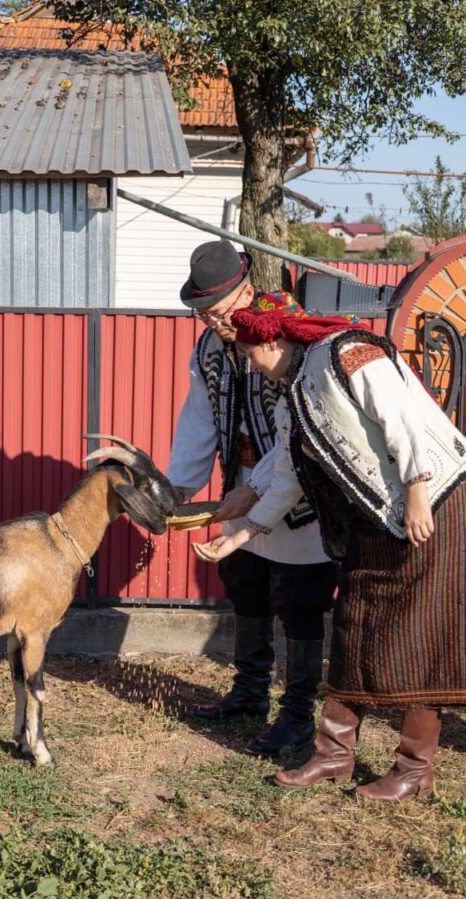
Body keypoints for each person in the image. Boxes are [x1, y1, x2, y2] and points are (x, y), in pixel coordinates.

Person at [194, 306, 466, 801]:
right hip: (379, 517)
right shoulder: (294, 398)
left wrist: (417, 488)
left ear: (272, 344)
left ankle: (413, 770)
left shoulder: (344, 352)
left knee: (421, 635)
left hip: (434, 502)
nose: (252, 367)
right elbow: (288, 475)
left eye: (251, 357)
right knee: (352, 624)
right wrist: (238, 536)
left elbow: (399, 413)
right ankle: (333, 754)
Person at [168, 239, 337, 756]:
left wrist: (256, 486)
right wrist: (179, 487)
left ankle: (297, 716)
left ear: (246, 290)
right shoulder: (209, 348)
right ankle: (248, 694)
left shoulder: (287, 331)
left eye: (221, 313)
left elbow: (300, 432)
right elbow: (199, 419)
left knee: (302, 599)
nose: (217, 325)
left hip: (299, 482)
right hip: (239, 471)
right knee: (245, 583)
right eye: (206, 317)